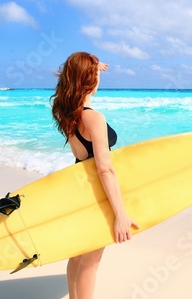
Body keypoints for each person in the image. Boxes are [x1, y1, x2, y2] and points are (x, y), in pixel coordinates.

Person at [51, 52, 139, 299]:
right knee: (91, 262)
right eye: (97, 74)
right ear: (90, 79)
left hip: (81, 192)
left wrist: (90, 66)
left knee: (78, 255)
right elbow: (105, 168)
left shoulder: (68, 114)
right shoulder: (94, 118)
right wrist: (120, 214)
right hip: (98, 196)